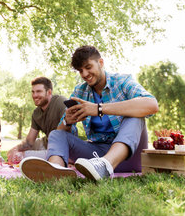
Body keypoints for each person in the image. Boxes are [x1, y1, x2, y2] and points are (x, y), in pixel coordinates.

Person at [20, 45, 159, 182]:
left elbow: (152, 104)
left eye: (88, 67)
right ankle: (55, 172)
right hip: (97, 155)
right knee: (56, 133)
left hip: (130, 157)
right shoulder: (80, 92)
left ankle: (105, 165)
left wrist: (99, 108)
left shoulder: (122, 82)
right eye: (80, 71)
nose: (85, 74)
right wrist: (67, 121)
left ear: (100, 63)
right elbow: (63, 133)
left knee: (135, 116)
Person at [7, 77, 66, 163]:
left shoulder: (60, 102)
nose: (34, 95)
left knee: (22, 156)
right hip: (46, 143)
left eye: (38, 91)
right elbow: (29, 142)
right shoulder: (36, 113)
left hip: (60, 148)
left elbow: (69, 130)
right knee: (17, 152)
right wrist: (15, 149)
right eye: (33, 92)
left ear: (49, 92)